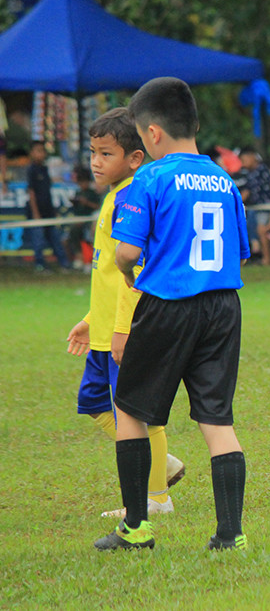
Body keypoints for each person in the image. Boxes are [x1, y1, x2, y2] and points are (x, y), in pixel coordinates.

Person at [93, 77, 251, 551]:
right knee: (217, 420)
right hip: (223, 306)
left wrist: (128, 272)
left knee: (130, 409)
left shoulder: (150, 178)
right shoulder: (225, 181)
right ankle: (230, 534)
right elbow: (239, 252)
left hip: (167, 303)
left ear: (153, 134)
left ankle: (137, 528)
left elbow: (125, 252)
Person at [65, 107, 185, 519]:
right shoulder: (115, 195)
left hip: (126, 330)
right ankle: (161, 465)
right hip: (103, 329)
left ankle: (157, 498)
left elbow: (134, 274)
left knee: (136, 412)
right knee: (95, 400)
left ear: (135, 157)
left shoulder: (134, 197)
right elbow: (107, 271)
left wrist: (121, 329)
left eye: (106, 153)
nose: (96, 162)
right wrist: (90, 317)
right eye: (93, 152)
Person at [25, 140, 72, 272]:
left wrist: (53, 210)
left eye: (43, 150)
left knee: (55, 238)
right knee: (38, 240)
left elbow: (47, 191)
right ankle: (40, 264)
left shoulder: (44, 169)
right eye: (38, 151)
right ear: (32, 153)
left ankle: (64, 264)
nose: (41, 154)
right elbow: (31, 192)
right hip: (37, 212)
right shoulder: (31, 170)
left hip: (48, 211)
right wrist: (35, 213)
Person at [240, 146, 270, 265]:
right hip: (255, 208)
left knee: (261, 230)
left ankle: (267, 259)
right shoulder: (249, 174)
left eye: (244, 159)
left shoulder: (263, 170)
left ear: (252, 157)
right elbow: (247, 191)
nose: (243, 163)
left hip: (266, 206)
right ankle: (261, 255)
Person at [66, 166, 101, 270]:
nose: (81, 185)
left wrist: (86, 203)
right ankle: (78, 259)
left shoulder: (92, 193)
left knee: (88, 239)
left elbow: (98, 207)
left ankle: (89, 261)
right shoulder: (78, 193)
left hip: (90, 222)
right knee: (69, 237)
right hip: (78, 222)